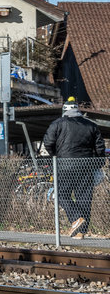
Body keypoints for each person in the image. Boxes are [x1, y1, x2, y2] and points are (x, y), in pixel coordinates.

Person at [41, 97, 106, 238]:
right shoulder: (91, 125)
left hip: (65, 166)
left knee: (61, 194)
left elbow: (48, 142)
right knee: (84, 198)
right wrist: (99, 163)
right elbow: (100, 147)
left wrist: (55, 156)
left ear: (64, 110)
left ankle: (76, 219)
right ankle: (81, 232)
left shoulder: (58, 123)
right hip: (86, 167)